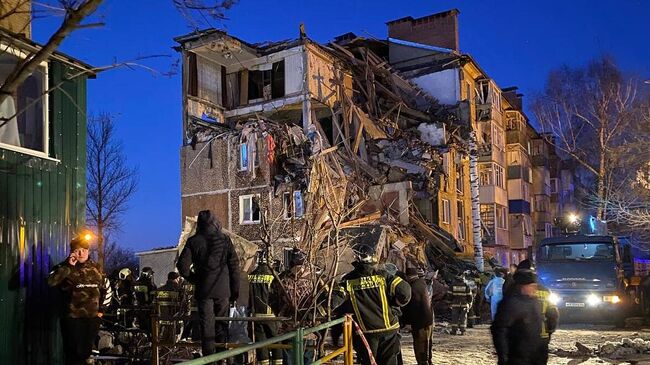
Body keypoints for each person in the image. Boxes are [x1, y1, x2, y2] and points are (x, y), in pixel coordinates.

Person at [333, 244, 411, 365]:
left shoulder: (348, 280)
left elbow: (334, 301)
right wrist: (395, 304)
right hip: (389, 330)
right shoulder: (383, 276)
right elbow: (405, 291)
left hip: (366, 333)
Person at [177, 210, 240, 360]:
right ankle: (222, 358)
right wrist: (234, 291)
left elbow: (182, 266)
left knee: (207, 328)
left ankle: (209, 360)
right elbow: (234, 266)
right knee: (222, 325)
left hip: (204, 291)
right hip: (223, 291)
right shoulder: (224, 240)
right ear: (214, 222)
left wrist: (195, 280)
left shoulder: (193, 241)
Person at [48, 234, 109, 365]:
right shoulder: (63, 267)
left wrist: (101, 311)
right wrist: (68, 267)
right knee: (73, 354)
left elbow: (106, 289)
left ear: (88, 251)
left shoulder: (96, 268)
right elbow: (51, 282)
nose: (81, 253)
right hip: (72, 318)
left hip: (91, 318)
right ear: (72, 252)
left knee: (86, 354)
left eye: (84, 249)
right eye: (77, 250)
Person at [491, 270, 543, 365]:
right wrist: (503, 355)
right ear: (522, 287)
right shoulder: (511, 304)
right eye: (532, 286)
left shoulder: (534, 302)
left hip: (532, 356)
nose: (535, 289)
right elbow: (499, 331)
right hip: (516, 357)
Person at [515, 259, 559, 365]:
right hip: (541, 337)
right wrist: (549, 332)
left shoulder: (515, 290)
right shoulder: (546, 291)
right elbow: (553, 314)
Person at [248, 251, 282, 365]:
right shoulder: (273, 276)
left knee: (260, 343)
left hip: (256, 315)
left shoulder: (251, 276)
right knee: (275, 342)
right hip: (271, 315)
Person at [401, 266, 433, 365]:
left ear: (408, 277)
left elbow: (412, 307)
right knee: (428, 342)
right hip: (429, 319)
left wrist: (406, 322)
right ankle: (428, 361)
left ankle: (423, 362)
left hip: (420, 322)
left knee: (420, 343)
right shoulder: (422, 283)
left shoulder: (412, 287)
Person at [449, 271, 473, 335]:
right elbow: (469, 295)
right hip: (464, 304)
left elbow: (449, 295)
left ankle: (454, 331)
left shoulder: (453, 285)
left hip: (455, 304)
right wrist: (469, 303)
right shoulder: (466, 284)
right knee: (463, 317)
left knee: (454, 317)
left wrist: (448, 303)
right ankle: (463, 331)